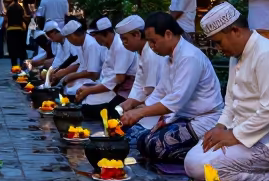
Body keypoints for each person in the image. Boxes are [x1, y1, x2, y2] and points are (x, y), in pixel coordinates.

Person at [184, 3, 269, 181]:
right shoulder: (236, 56)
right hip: (243, 135)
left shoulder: (268, 54)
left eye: (218, 42)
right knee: (192, 160)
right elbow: (231, 100)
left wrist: (234, 135)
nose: (217, 49)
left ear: (235, 31)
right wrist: (220, 126)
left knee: (199, 168)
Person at [122, 11, 223, 165]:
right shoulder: (169, 57)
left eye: (153, 41)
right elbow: (161, 91)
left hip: (203, 119)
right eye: (149, 42)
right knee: (141, 140)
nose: (151, 46)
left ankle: (195, 151)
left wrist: (140, 112)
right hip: (181, 117)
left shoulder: (189, 57)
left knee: (154, 146)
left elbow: (175, 101)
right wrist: (135, 113)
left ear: (168, 34)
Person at [74, 17, 138, 118]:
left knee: (87, 107)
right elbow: (106, 76)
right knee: (83, 100)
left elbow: (119, 79)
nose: (94, 39)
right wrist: (90, 87)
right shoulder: (108, 46)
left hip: (122, 90)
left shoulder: (121, 46)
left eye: (95, 35)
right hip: (109, 86)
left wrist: (89, 90)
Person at [114, 15, 162, 123]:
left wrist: (138, 109)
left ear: (137, 35)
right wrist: (129, 103)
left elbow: (151, 90)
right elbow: (139, 83)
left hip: (157, 106)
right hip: (148, 103)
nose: (123, 44)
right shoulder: (141, 52)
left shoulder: (151, 53)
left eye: (125, 39)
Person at [53, 20, 104, 97]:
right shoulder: (81, 45)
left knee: (70, 89)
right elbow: (80, 65)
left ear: (73, 36)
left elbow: (93, 74)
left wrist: (71, 76)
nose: (69, 41)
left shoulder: (91, 45)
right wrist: (65, 75)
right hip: (86, 77)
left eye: (68, 38)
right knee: (65, 85)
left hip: (96, 80)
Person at [6, 0, 27, 66]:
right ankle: (21, 66)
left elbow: (6, 19)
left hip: (10, 30)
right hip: (19, 30)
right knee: (21, 48)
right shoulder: (20, 7)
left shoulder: (9, 8)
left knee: (12, 49)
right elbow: (23, 17)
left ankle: (14, 67)